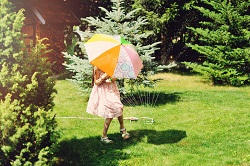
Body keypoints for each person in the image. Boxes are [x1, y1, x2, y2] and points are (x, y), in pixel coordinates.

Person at [86, 66, 130, 143]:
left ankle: (122, 129)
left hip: (112, 89)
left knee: (118, 107)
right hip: (103, 90)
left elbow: (114, 79)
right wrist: (104, 76)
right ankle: (104, 136)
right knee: (110, 111)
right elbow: (96, 82)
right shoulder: (97, 67)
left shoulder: (110, 65)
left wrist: (111, 77)